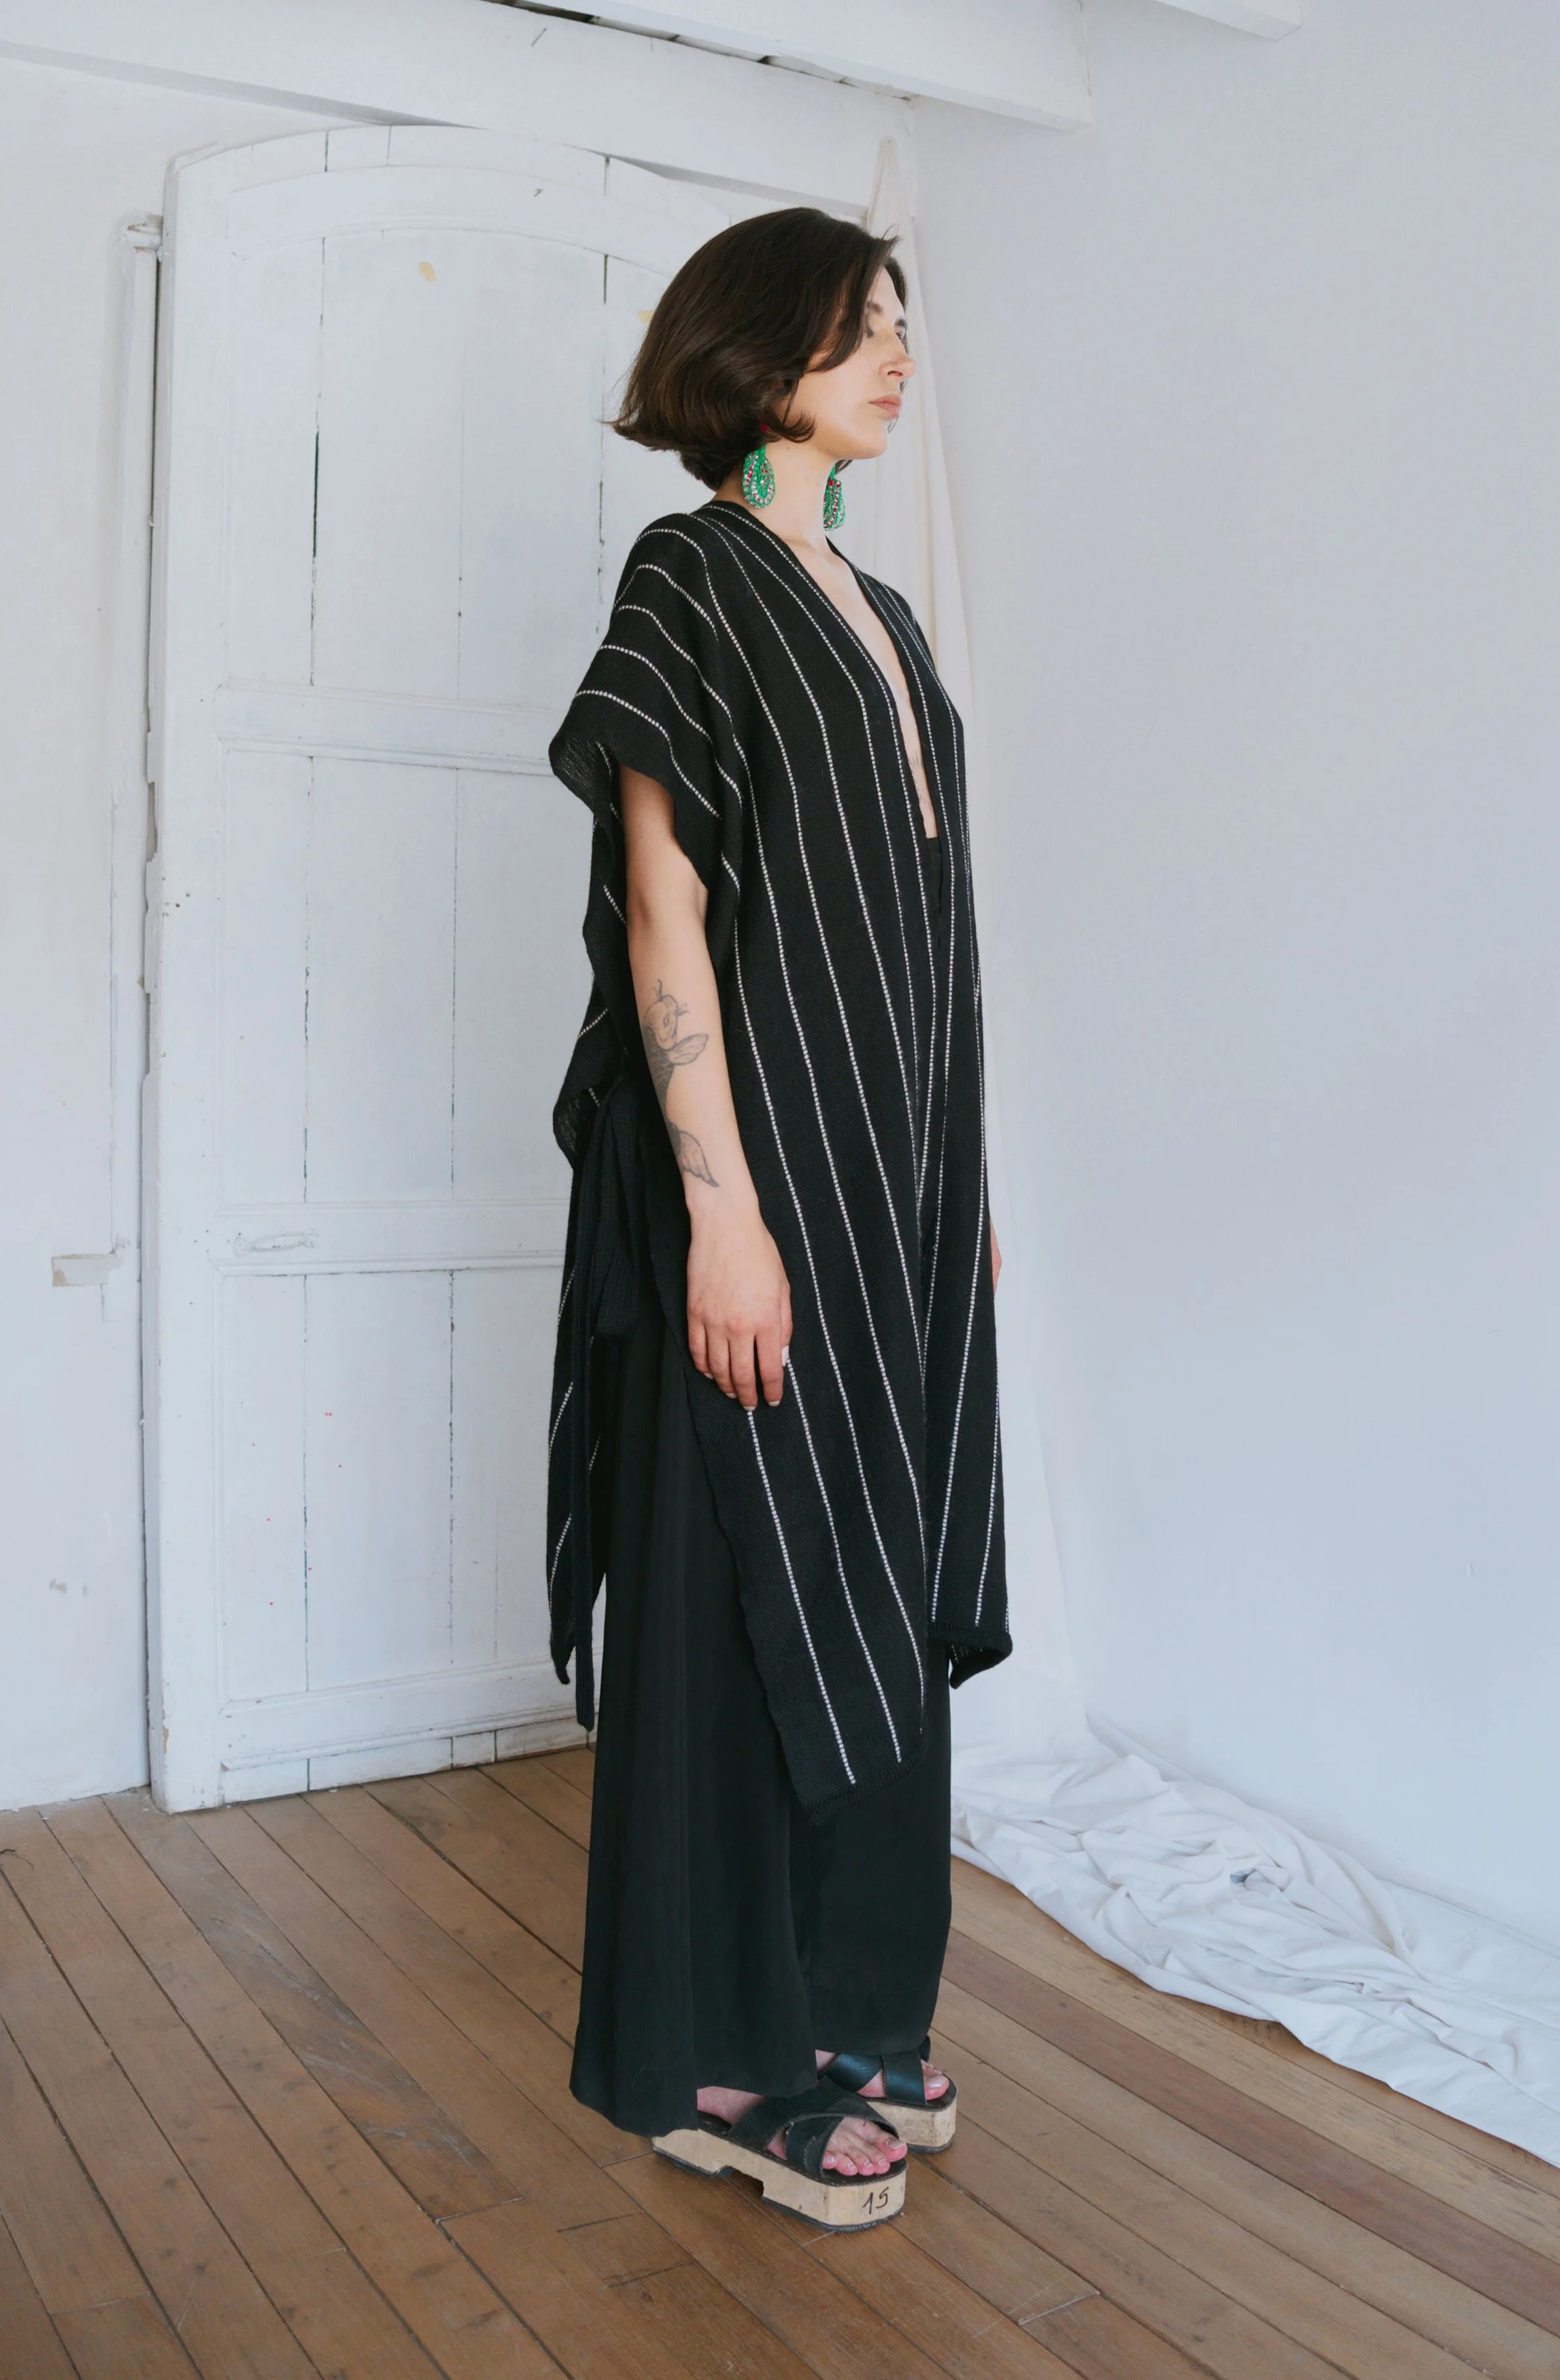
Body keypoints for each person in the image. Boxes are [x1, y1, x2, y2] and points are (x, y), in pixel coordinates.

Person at [545, 206, 1009, 2229]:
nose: (897, 352)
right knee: (754, 1594)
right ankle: (730, 2060)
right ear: (759, 350)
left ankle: (862, 2007)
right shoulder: (694, 574)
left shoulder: (883, 610)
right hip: (751, 1179)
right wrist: (722, 1216)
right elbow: (670, 920)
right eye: (858, 323)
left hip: (893, 1189)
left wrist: (951, 1194)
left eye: (903, 321)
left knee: (879, 1587)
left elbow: (921, 935)